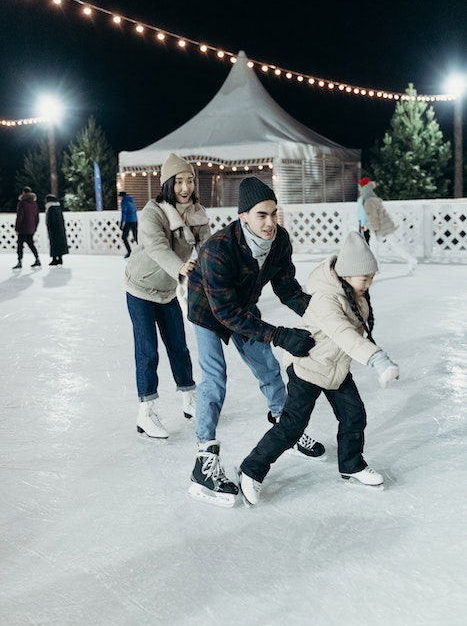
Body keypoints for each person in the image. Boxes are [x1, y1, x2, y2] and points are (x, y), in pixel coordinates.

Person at [187, 176, 325, 508]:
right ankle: (204, 459)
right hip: (208, 310)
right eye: (262, 215)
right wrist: (278, 334)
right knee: (214, 380)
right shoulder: (218, 249)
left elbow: (287, 288)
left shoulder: (279, 241)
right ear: (243, 216)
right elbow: (225, 312)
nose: (270, 222)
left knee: (268, 369)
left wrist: (324, 312)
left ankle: (285, 427)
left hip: (243, 308)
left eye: (274, 213)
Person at [238, 231, 400, 505]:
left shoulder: (356, 294)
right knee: (292, 426)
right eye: (365, 278)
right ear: (347, 275)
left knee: (354, 416)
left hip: (335, 369)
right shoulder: (327, 298)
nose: (369, 283)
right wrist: (377, 359)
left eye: (372, 277)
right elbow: (344, 334)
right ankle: (251, 470)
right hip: (308, 367)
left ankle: (352, 465)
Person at [125, 153, 211, 439]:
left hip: (167, 290)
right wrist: (181, 267)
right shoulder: (153, 212)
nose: (185, 188)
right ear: (167, 184)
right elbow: (156, 246)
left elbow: (208, 248)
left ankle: (189, 400)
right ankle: (146, 413)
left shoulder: (197, 212)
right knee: (148, 350)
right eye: (179, 182)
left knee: (179, 346)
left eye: (189, 181)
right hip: (140, 287)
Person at [358, 177, 417, 271]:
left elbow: (373, 217)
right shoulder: (373, 198)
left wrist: (374, 230)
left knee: (382, 245)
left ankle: (410, 260)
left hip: (380, 226)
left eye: (360, 187)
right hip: (385, 225)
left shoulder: (368, 201)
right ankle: (376, 267)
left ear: (363, 188)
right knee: (379, 245)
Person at [12, 186, 40, 269]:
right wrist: (35, 227)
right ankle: (37, 259)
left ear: (23, 192)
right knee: (31, 244)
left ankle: (19, 261)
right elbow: (37, 216)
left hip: (23, 228)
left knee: (20, 245)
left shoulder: (22, 203)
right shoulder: (34, 203)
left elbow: (19, 216)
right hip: (31, 227)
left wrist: (17, 228)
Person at [45, 195, 69, 265]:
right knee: (60, 244)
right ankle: (60, 259)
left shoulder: (50, 208)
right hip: (60, 229)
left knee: (54, 244)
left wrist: (48, 226)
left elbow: (50, 220)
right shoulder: (58, 208)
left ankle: (54, 259)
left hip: (53, 230)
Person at [119, 191, 138, 258]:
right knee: (136, 236)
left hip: (128, 220)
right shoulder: (132, 200)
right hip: (135, 220)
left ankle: (129, 252)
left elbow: (123, 212)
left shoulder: (124, 201)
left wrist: (121, 223)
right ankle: (143, 251)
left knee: (124, 237)